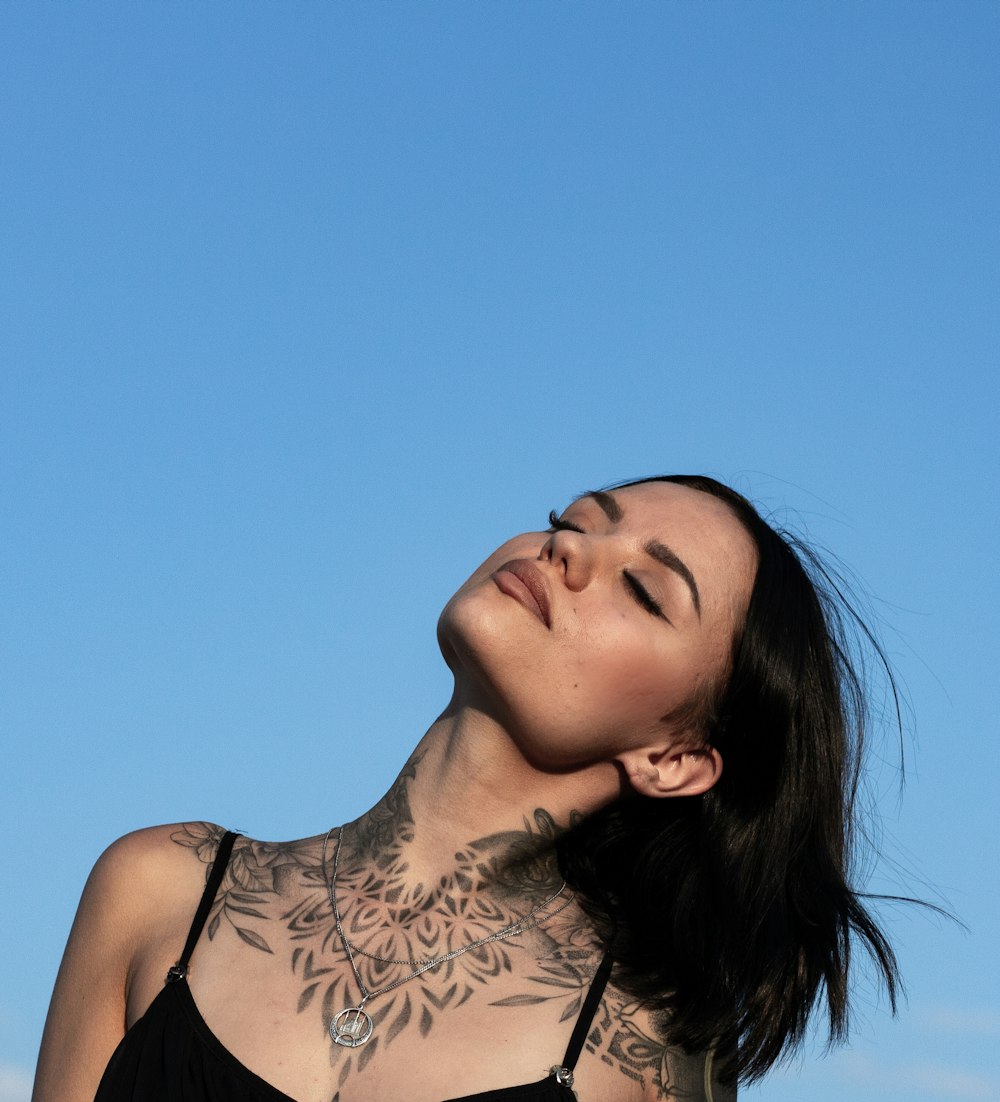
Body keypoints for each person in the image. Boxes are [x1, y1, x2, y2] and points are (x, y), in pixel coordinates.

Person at [32, 475, 900, 1102]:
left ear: (675, 758)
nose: (566, 549)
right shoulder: (161, 889)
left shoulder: (644, 1055)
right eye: (571, 521)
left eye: (642, 587)